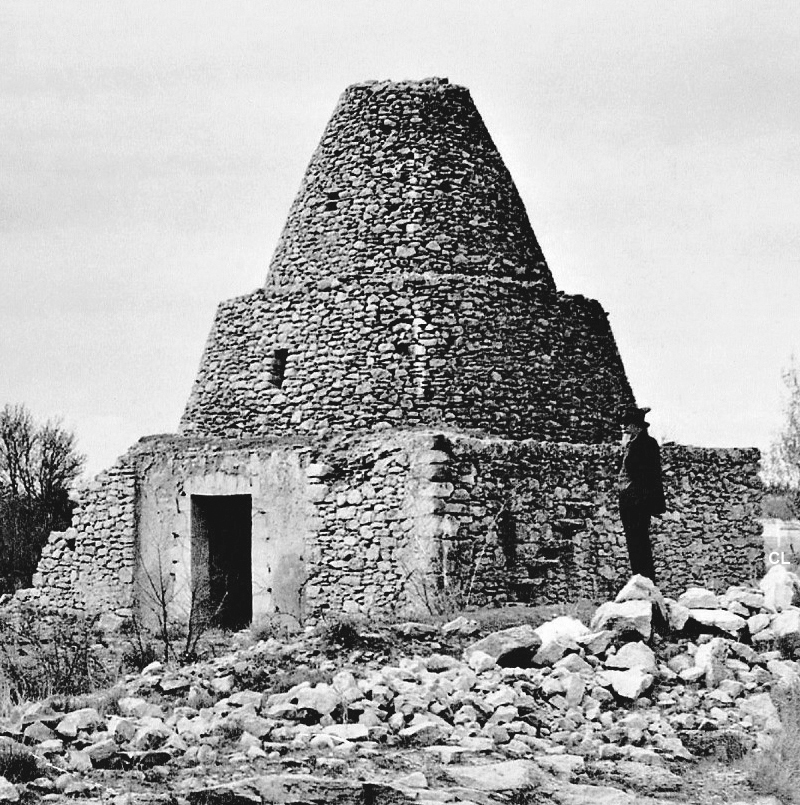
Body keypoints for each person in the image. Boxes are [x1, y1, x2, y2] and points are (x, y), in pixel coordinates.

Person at [617, 406, 666, 581]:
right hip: (629, 499)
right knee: (633, 541)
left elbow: (648, 474)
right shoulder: (633, 443)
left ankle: (645, 579)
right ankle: (639, 577)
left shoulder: (646, 444)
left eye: (628, 424)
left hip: (638, 500)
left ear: (637, 426)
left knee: (640, 542)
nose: (625, 428)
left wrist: (640, 497)